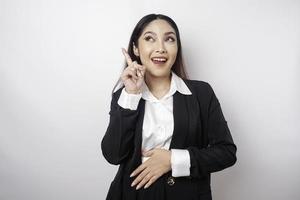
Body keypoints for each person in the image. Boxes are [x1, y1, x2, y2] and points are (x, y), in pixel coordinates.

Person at [101, 13, 237, 200]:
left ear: (177, 48)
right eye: (150, 39)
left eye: (169, 39)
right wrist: (131, 95)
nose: (160, 48)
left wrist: (173, 160)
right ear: (136, 48)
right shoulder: (123, 96)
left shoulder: (201, 93)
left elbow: (226, 152)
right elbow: (113, 155)